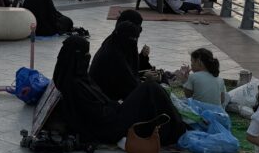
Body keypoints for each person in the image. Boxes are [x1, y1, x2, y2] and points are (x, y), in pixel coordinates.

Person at [53, 35, 187, 146]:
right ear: (77, 57)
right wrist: (118, 106)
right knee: (149, 88)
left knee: (150, 91)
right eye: (85, 54)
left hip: (111, 115)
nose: (88, 57)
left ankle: (173, 126)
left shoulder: (75, 75)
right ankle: (177, 129)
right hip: (109, 127)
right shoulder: (74, 84)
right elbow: (96, 115)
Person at [88, 20, 141, 101]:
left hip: (111, 93)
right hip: (106, 99)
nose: (134, 43)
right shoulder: (113, 55)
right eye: (133, 39)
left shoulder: (112, 43)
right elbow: (129, 84)